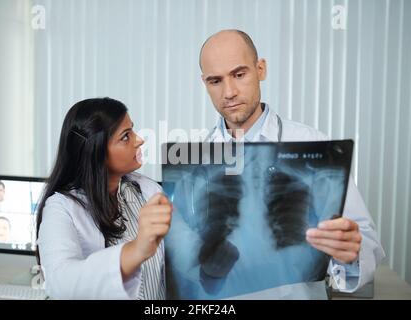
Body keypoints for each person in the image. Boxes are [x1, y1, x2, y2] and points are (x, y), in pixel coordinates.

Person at [197, 29, 385, 296]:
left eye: (239, 74)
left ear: (260, 69)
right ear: (204, 83)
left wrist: (350, 251)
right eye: (216, 81)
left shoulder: (314, 147)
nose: (229, 92)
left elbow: (364, 241)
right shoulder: (197, 161)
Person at [36, 98, 173, 299]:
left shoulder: (148, 190)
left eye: (132, 131)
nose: (139, 140)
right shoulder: (61, 208)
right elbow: (59, 283)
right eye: (126, 136)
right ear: (96, 150)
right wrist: (136, 250)